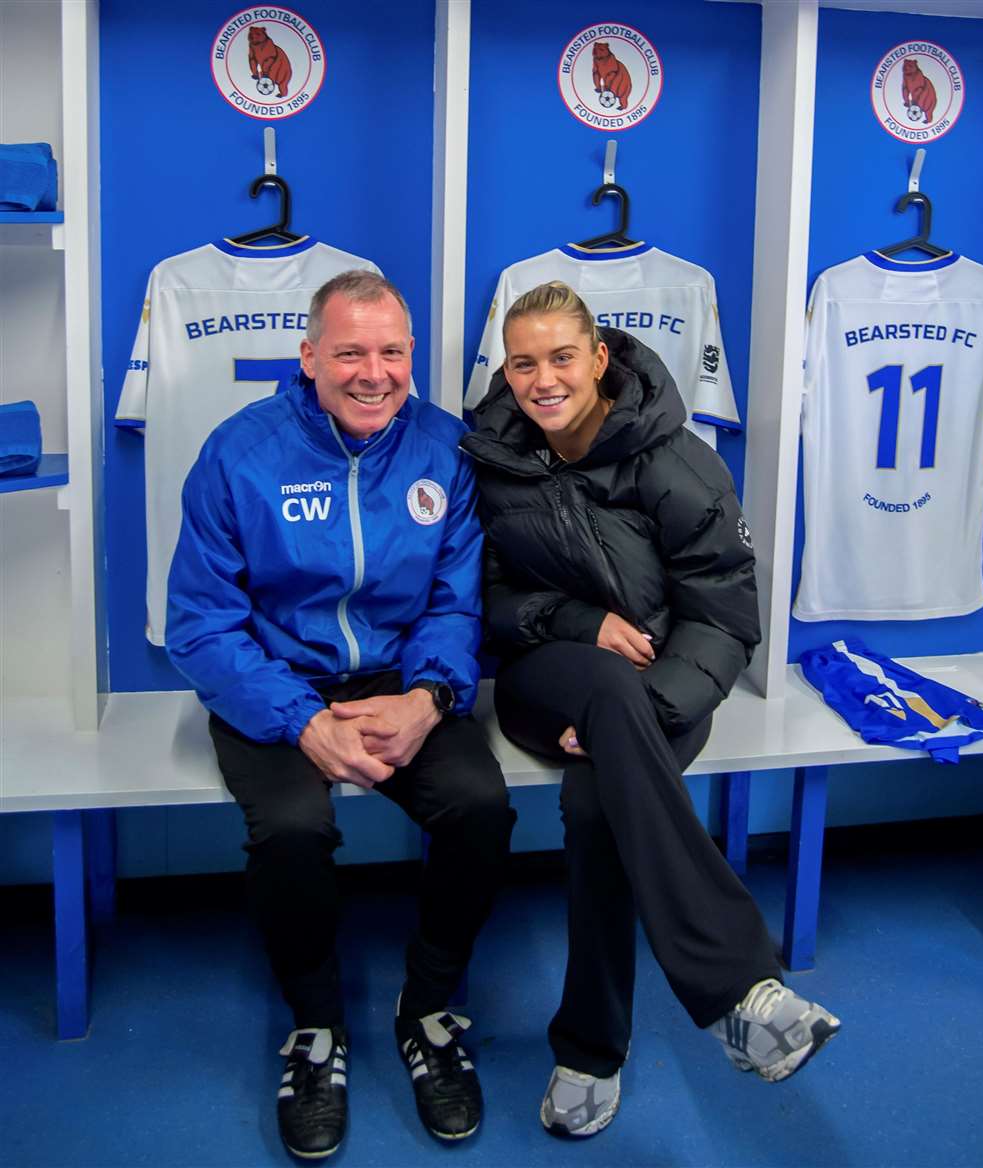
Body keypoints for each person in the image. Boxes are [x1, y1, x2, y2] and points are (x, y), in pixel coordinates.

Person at [461, 281, 840, 1138]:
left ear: (600, 358)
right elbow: (477, 596)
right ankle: (740, 988)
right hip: (543, 679)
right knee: (602, 690)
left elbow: (724, 614)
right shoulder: (487, 455)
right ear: (506, 370)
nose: (543, 379)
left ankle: (589, 1051)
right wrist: (575, 621)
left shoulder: (674, 458)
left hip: (666, 684)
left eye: (562, 357)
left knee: (598, 799)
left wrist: (642, 706)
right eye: (524, 362)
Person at [166, 270, 515, 1158]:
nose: (374, 373)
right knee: (289, 827)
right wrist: (299, 719)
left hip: (404, 681)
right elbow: (202, 625)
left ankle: (428, 1008)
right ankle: (317, 1031)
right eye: (350, 352)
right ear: (309, 357)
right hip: (276, 683)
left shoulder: (446, 447)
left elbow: (456, 597)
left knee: (480, 808)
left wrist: (431, 697)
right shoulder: (239, 453)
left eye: (392, 352)